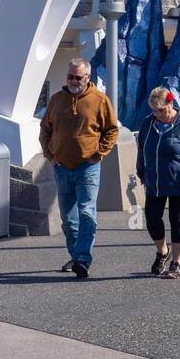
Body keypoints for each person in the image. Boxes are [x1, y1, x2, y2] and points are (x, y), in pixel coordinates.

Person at [39, 58, 119, 279]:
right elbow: (45, 129)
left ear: (87, 78)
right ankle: (76, 256)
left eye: (78, 77)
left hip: (88, 167)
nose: (73, 81)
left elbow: (112, 130)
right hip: (62, 167)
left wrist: (99, 153)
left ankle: (83, 259)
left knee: (86, 212)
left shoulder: (100, 100)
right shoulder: (56, 100)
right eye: (70, 77)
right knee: (68, 218)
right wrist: (49, 154)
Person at [135, 87, 180, 280]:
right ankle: (163, 251)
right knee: (152, 219)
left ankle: (177, 263)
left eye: (161, 110)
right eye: (155, 111)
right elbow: (142, 149)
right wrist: (141, 171)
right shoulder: (148, 124)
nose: (159, 115)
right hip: (154, 182)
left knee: (177, 220)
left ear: (170, 104)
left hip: (178, 183)